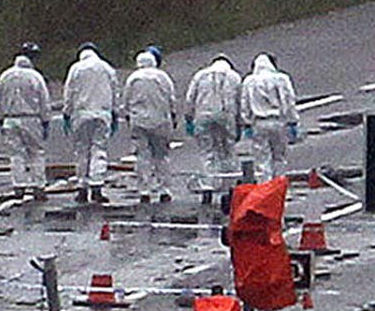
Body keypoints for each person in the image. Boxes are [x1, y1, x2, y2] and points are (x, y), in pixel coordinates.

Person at [62, 42, 118, 202]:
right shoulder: (107, 68)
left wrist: (67, 113)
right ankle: (97, 186)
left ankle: (82, 187)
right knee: (98, 149)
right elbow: (115, 91)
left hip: (81, 114)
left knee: (82, 151)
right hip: (102, 113)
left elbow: (69, 92)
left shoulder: (76, 68)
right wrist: (114, 112)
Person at [0, 45, 50, 197]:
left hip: (10, 119)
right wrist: (45, 120)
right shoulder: (35, 76)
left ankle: (19, 186)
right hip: (31, 119)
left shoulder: (5, 76)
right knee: (36, 152)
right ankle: (39, 186)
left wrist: (0, 118)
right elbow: (44, 101)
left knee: (16, 154)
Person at [184, 54, 242, 199]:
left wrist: (189, 117)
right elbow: (240, 101)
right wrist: (241, 123)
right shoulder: (234, 77)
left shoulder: (200, 75)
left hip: (203, 116)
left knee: (207, 152)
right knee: (228, 150)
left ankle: (207, 188)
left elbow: (190, 98)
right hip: (226, 116)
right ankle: (230, 187)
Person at [122, 49, 177, 202]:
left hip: (139, 122)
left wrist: (129, 116)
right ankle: (164, 189)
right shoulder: (162, 77)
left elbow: (126, 101)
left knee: (142, 157)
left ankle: (144, 190)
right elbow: (171, 98)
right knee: (161, 156)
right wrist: (173, 115)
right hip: (160, 121)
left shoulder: (133, 78)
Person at [240, 52, 299, 178]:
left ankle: (265, 189)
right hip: (278, 122)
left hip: (259, 123)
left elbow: (244, 104)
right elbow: (288, 100)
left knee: (262, 159)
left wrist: (246, 123)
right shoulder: (281, 78)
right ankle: (280, 187)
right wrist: (292, 120)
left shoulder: (249, 81)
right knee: (279, 158)